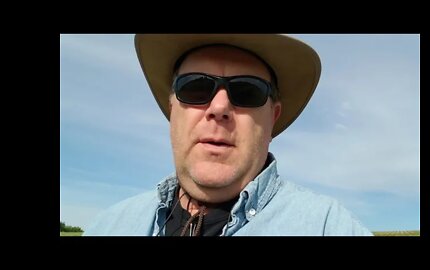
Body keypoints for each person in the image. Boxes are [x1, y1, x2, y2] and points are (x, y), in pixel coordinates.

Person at [83, 34, 372, 236]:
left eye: (248, 91)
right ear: (172, 109)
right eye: (195, 87)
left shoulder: (327, 227)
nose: (219, 107)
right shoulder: (108, 225)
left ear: (273, 117)